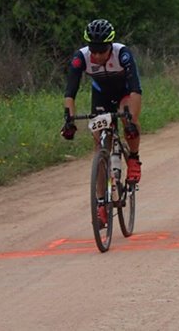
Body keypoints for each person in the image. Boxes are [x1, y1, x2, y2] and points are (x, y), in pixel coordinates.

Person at [60, 19, 143, 226]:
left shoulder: (122, 54)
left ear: (110, 46)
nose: (97, 56)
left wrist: (131, 120)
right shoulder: (81, 57)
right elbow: (70, 92)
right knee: (99, 147)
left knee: (129, 122)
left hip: (124, 93)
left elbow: (135, 89)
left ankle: (133, 158)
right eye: (93, 50)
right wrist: (68, 120)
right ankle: (100, 204)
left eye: (102, 51)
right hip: (101, 97)